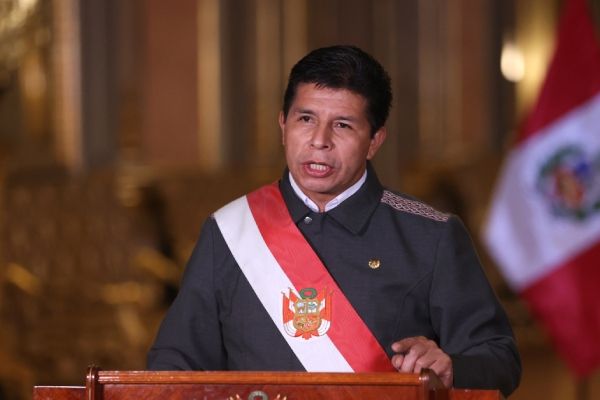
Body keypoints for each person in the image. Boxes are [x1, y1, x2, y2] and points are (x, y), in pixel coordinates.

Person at [147, 45, 521, 397]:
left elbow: (500, 360)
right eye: (305, 119)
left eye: (342, 125)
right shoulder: (229, 231)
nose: (319, 141)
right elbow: (174, 365)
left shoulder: (431, 235)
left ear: (374, 140)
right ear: (283, 125)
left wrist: (450, 367)